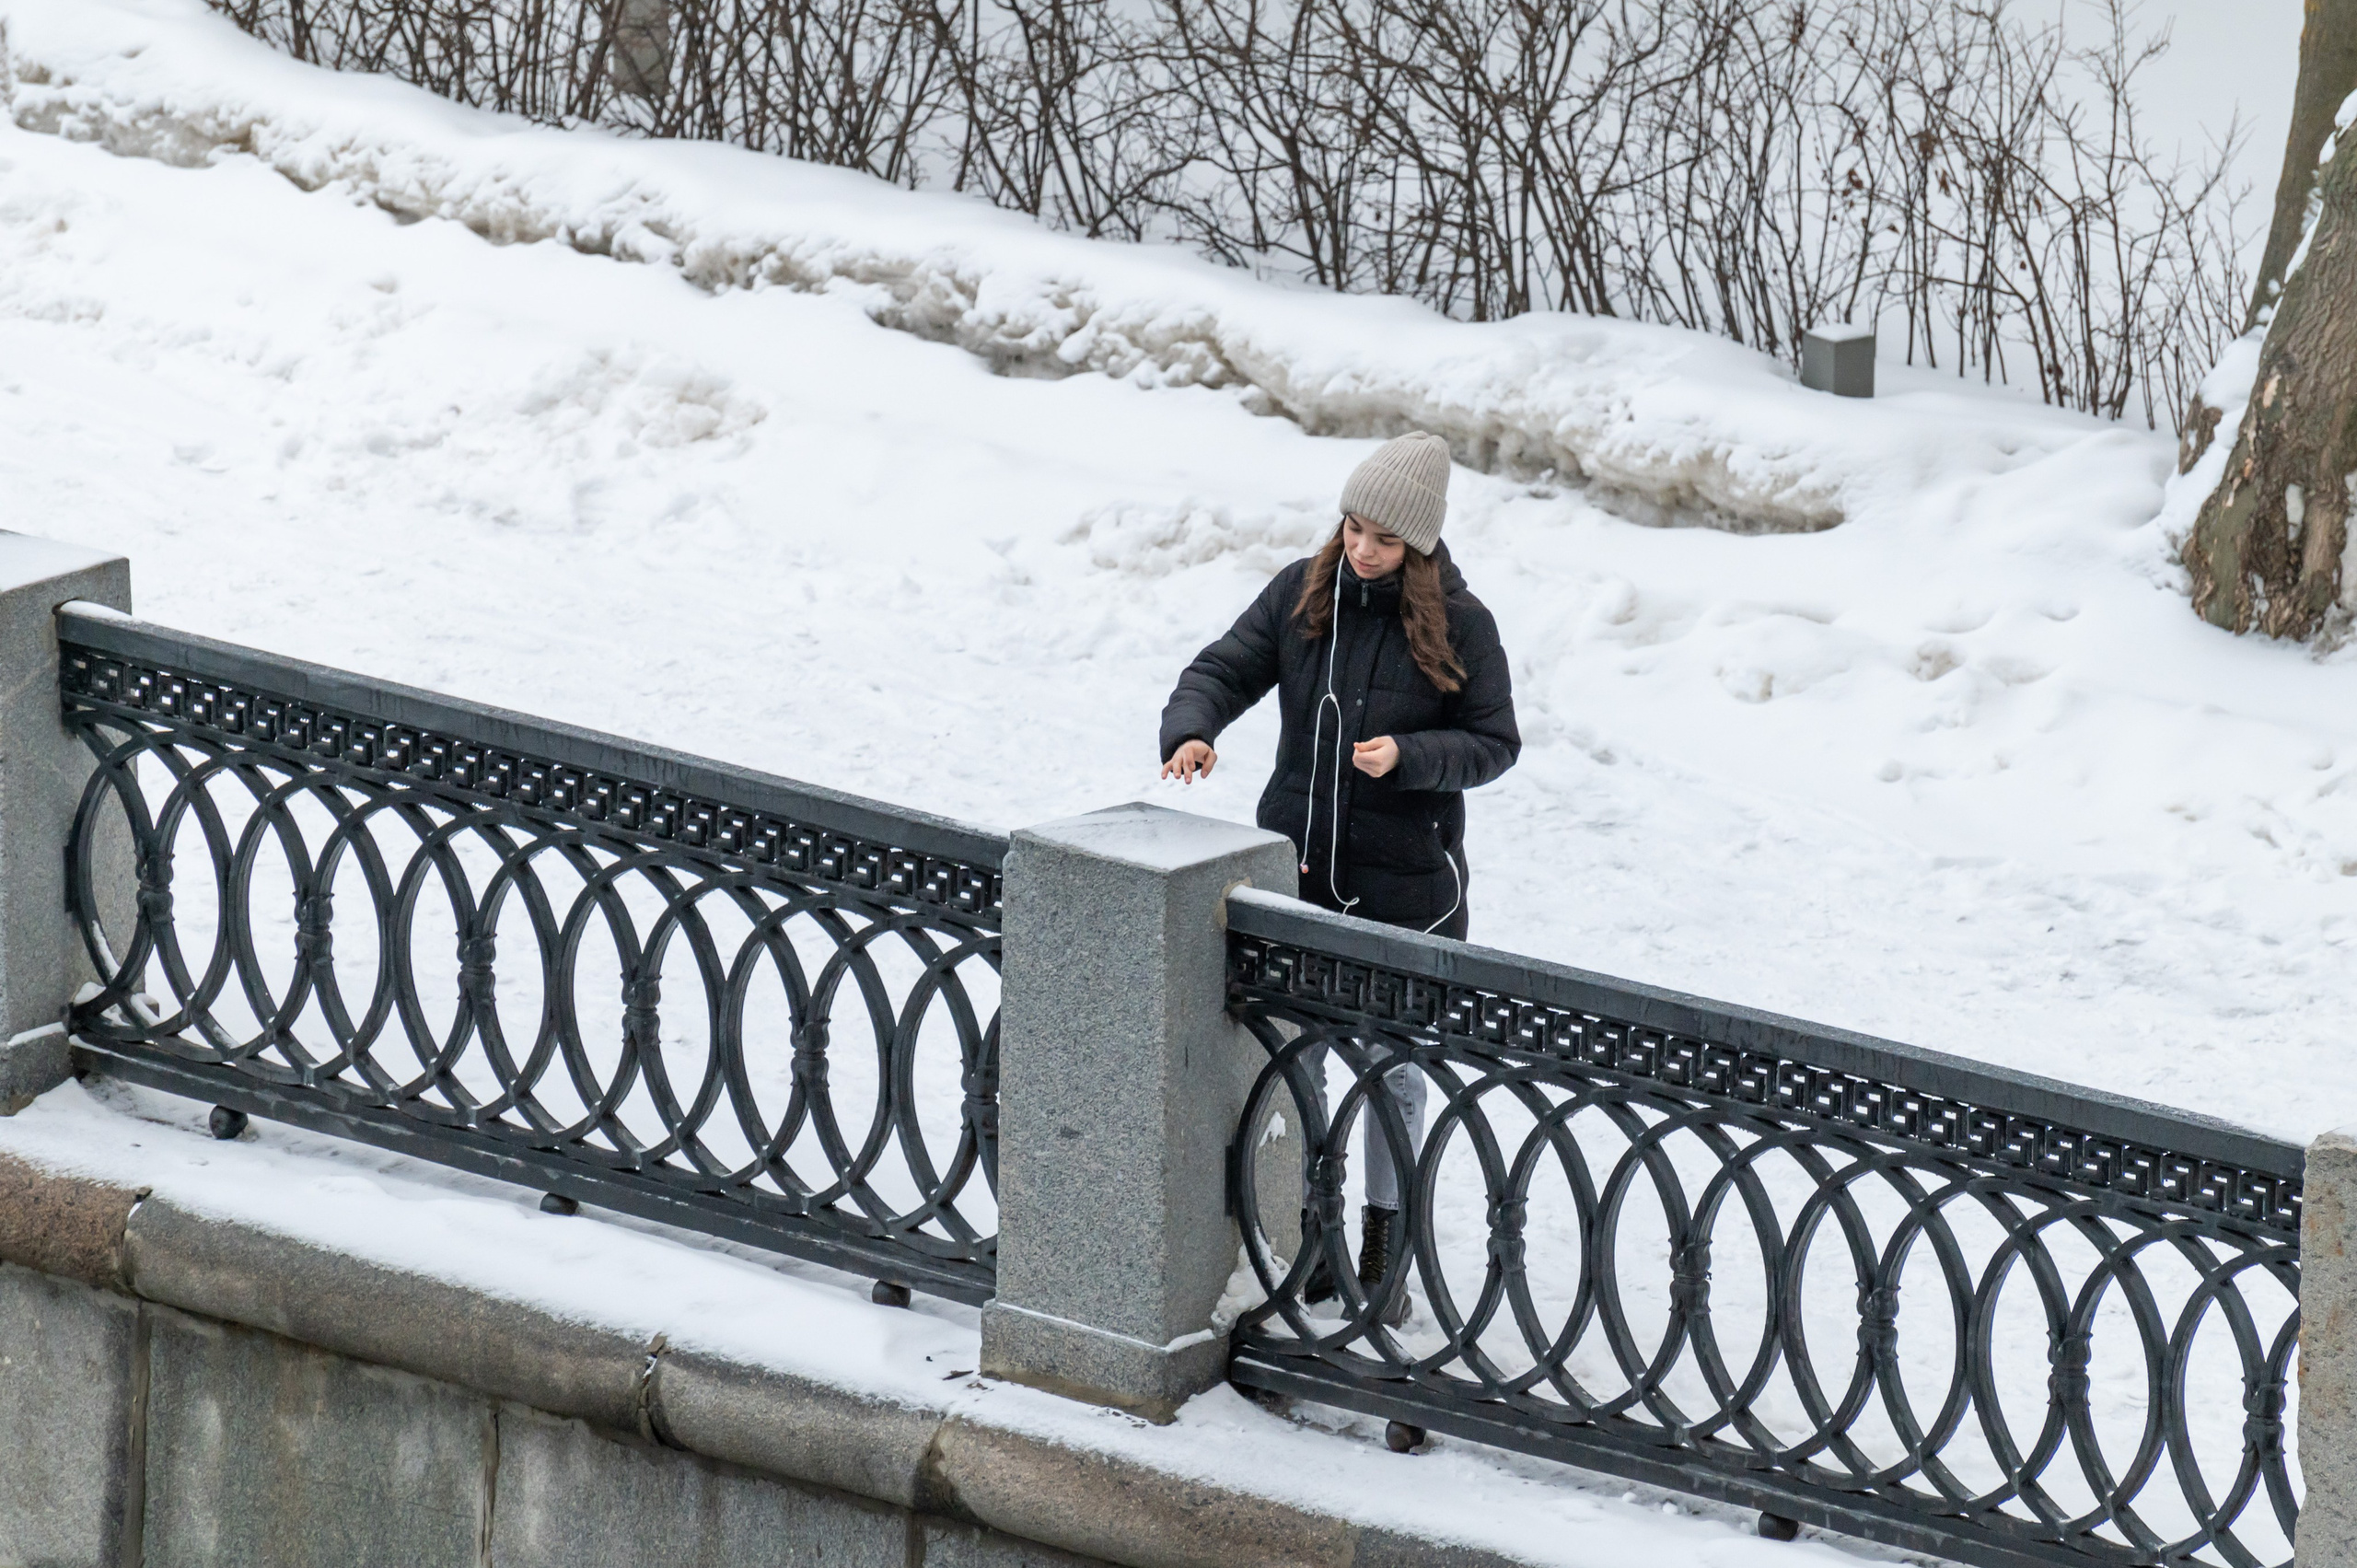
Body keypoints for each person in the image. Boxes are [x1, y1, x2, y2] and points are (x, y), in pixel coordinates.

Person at [1157, 430, 1520, 1318]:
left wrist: (1410, 756)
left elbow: (1494, 742)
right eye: (1354, 528)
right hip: (1301, 879)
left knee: (1392, 1070)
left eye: (1385, 539)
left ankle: (1384, 1250)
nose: (1362, 548)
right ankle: (1313, 1232)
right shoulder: (1303, 592)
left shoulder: (1463, 625)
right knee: (1302, 1056)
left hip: (1407, 895)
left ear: (1419, 545)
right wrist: (1193, 730)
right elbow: (1223, 666)